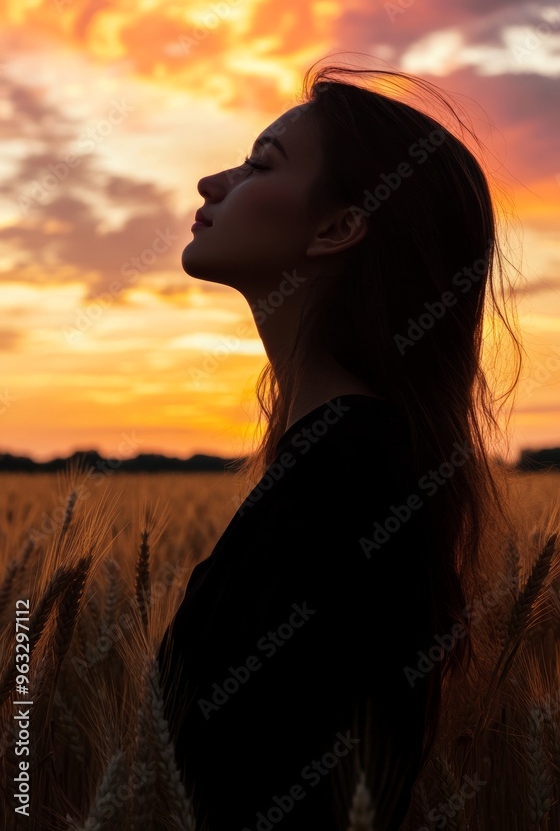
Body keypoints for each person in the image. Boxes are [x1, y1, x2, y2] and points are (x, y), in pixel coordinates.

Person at [157, 59, 522, 831]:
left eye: (260, 163)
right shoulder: (343, 465)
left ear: (338, 227)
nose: (209, 184)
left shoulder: (346, 488)